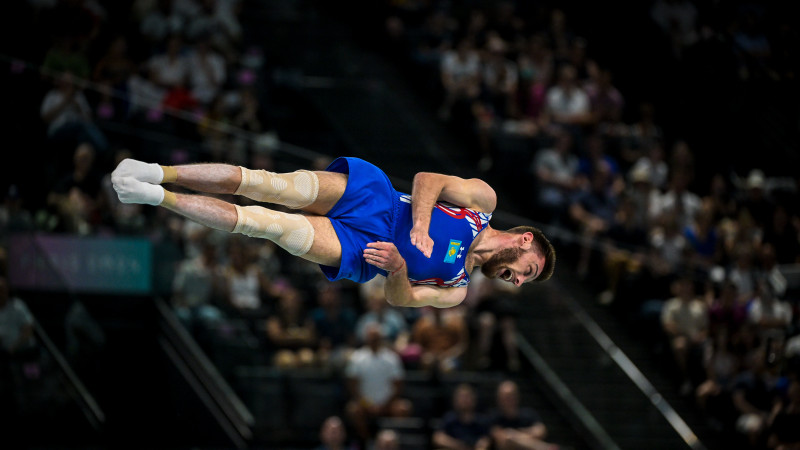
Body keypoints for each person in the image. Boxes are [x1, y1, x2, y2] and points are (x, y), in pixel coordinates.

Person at [110, 156, 556, 308]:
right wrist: (420, 224)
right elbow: (427, 179)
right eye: (525, 271)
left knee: (263, 223)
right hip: (377, 201)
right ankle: (159, 171)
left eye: (521, 282)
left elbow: (401, 299)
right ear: (524, 241)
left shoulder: (457, 288)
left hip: (363, 251)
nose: (516, 281)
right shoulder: (484, 204)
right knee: (267, 184)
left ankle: (156, 197)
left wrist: (400, 267)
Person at [432, 382, 492, 450]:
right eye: (461, 397)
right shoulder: (449, 418)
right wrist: (458, 445)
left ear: (474, 400)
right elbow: (438, 438)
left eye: (467, 397)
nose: (464, 400)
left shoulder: (481, 420)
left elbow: (486, 440)